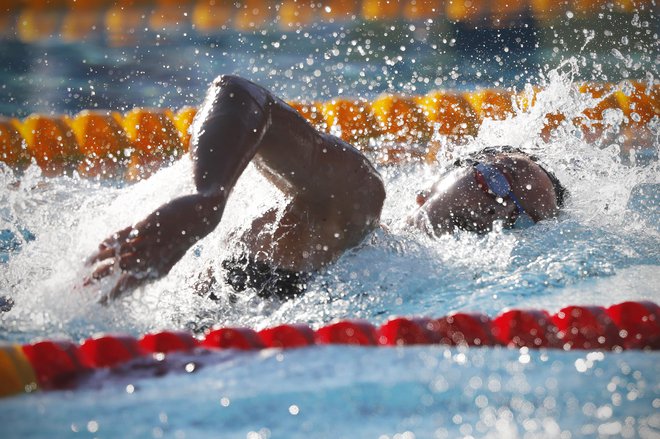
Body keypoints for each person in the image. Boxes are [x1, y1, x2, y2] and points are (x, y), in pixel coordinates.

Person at [87, 75, 565, 302]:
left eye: (521, 214)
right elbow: (240, 94)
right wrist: (207, 198)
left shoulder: (443, 297)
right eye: (500, 177)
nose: (501, 204)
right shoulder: (358, 203)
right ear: (434, 181)